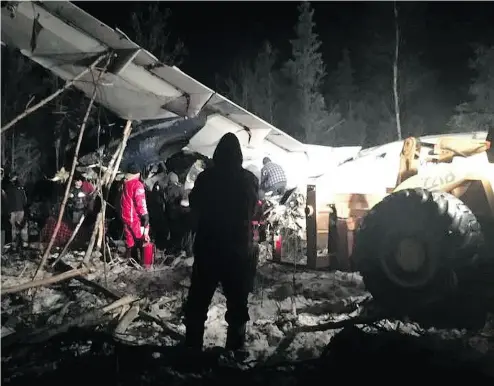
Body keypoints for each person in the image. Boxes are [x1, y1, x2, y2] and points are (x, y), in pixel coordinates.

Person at [184, 133, 259, 352]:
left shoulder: (206, 178)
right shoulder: (248, 180)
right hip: (237, 249)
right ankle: (234, 350)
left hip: (209, 246)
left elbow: (195, 205)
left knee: (198, 300)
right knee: (237, 303)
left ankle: (192, 348)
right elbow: (252, 210)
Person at [120, 162, 150, 261]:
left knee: (130, 239)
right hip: (134, 217)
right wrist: (145, 214)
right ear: (138, 173)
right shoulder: (137, 184)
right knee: (141, 238)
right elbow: (140, 201)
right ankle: (144, 261)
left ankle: (130, 260)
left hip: (125, 216)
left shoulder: (125, 183)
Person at [5, 175, 28, 250]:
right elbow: (25, 201)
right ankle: (24, 243)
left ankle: (14, 245)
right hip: (20, 210)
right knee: (22, 227)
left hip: (12, 211)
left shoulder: (8, 189)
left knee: (14, 228)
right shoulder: (21, 189)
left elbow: (6, 201)